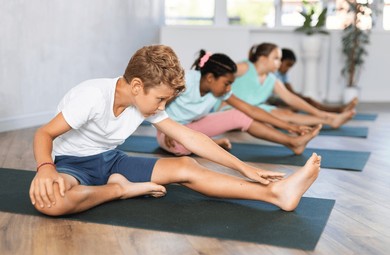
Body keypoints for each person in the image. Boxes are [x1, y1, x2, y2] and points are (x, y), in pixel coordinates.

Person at [29, 44, 322, 216]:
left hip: (111, 159)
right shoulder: (92, 96)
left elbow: (191, 138)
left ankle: (275, 194)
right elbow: (44, 134)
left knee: (186, 164)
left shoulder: (145, 102)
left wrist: (244, 168)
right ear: (136, 86)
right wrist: (45, 169)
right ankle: (120, 189)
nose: (162, 106)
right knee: (54, 203)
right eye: (160, 99)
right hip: (72, 165)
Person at [158, 50, 322, 156]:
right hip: (168, 131)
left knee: (240, 115)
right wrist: (170, 131)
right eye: (226, 83)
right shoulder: (184, 80)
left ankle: (292, 143)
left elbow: (250, 110)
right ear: (210, 78)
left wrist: (290, 127)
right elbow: (157, 107)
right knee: (181, 147)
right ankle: (210, 142)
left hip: (194, 127)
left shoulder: (221, 90)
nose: (229, 87)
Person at [216, 43, 356, 128]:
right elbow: (220, 73)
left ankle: (330, 120)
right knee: (273, 117)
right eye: (276, 58)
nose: (279, 62)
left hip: (255, 110)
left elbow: (291, 99)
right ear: (263, 59)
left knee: (285, 113)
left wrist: (318, 112)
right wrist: (222, 99)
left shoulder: (272, 79)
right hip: (231, 109)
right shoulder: (245, 67)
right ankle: (329, 119)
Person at [268, 48, 358, 113]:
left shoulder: (283, 75)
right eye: (287, 65)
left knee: (307, 101)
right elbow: (285, 93)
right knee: (299, 105)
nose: (288, 69)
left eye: (291, 66)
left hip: (281, 98)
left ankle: (336, 110)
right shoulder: (271, 72)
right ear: (280, 60)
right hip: (272, 99)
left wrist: (303, 98)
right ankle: (335, 111)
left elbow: (290, 91)